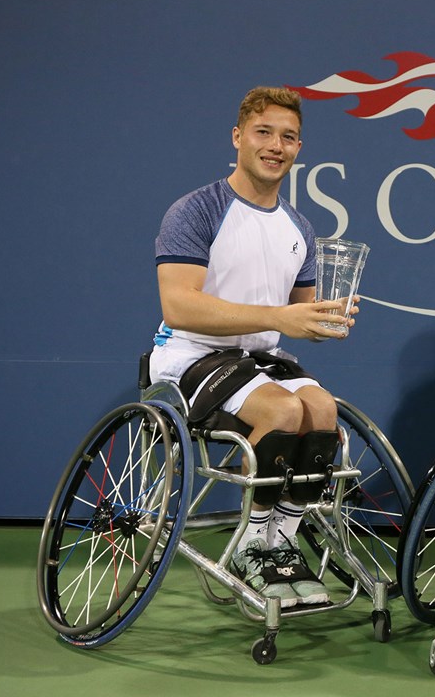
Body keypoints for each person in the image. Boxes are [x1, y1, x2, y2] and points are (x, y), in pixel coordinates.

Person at [149, 86, 358, 609]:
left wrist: (325, 320)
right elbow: (179, 306)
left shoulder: (300, 228)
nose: (276, 146)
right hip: (190, 354)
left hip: (258, 361)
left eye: (289, 137)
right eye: (264, 133)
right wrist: (279, 318)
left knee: (323, 410)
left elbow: (302, 315)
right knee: (285, 409)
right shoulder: (196, 210)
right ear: (238, 137)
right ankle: (249, 547)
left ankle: (278, 543)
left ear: (299, 148)